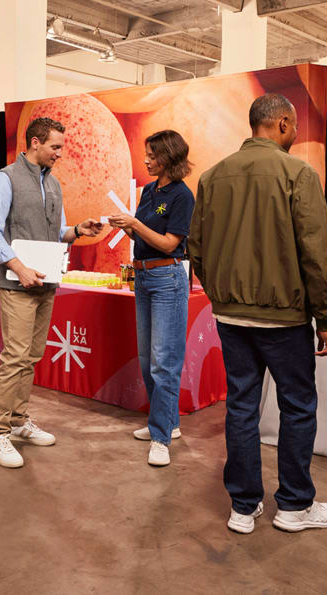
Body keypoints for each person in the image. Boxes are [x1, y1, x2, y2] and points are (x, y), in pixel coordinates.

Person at [189, 93, 327, 535]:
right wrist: (325, 318)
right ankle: (293, 506)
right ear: (283, 125)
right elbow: (317, 251)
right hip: (285, 319)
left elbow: (195, 246)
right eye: (293, 128)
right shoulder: (298, 173)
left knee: (240, 407)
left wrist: (220, 294)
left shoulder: (213, 176)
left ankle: (243, 505)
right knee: (296, 407)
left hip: (231, 316)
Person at [0, 117, 103, 468]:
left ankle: (19, 421)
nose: (59, 154)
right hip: (17, 284)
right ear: (35, 143)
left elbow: (57, 231)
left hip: (46, 282)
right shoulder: (5, 180)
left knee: (32, 356)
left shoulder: (55, 184)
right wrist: (18, 268)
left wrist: (77, 229)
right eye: (55, 147)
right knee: (15, 357)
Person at [108, 130, 194, 467]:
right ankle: (167, 423)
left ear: (168, 157)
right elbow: (145, 233)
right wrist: (126, 225)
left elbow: (170, 243)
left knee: (164, 361)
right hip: (143, 276)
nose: (146, 159)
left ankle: (160, 438)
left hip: (168, 278)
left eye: (152, 154)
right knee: (147, 358)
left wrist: (134, 224)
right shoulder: (149, 192)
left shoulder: (182, 195)